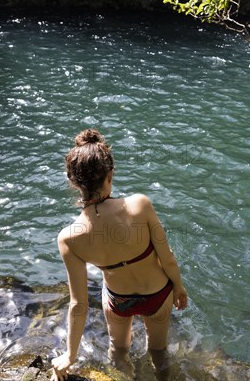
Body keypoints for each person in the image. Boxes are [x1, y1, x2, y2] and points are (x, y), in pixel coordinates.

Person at [51, 129, 188, 381]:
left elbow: (78, 304)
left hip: (118, 301)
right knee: (158, 351)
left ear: (74, 183)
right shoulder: (140, 204)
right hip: (157, 294)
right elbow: (166, 257)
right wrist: (178, 287)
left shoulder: (68, 238)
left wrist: (69, 356)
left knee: (118, 349)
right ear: (110, 174)